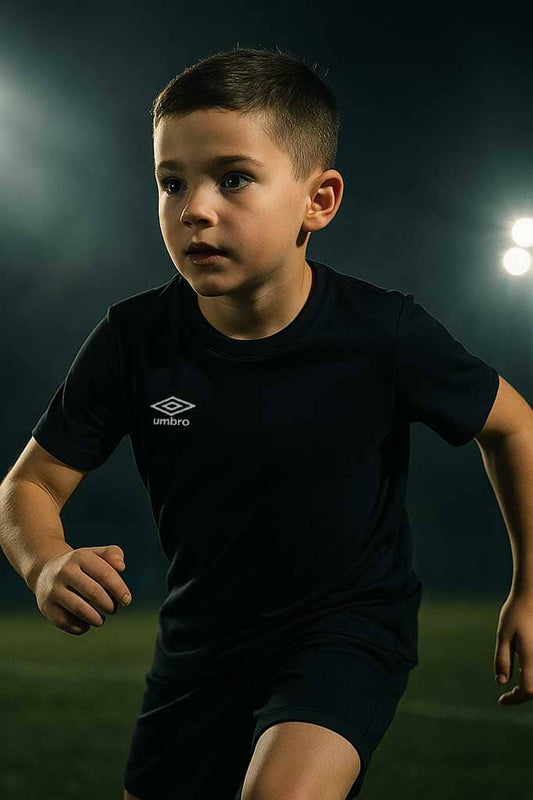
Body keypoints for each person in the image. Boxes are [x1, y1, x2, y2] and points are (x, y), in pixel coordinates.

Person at [1, 46, 531, 800]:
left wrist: (531, 587)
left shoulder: (383, 333)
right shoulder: (131, 342)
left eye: (233, 178)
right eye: (171, 182)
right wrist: (46, 562)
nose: (194, 208)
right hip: (200, 647)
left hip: (345, 633)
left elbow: (514, 426)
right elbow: (27, 487)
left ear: (319, 200)